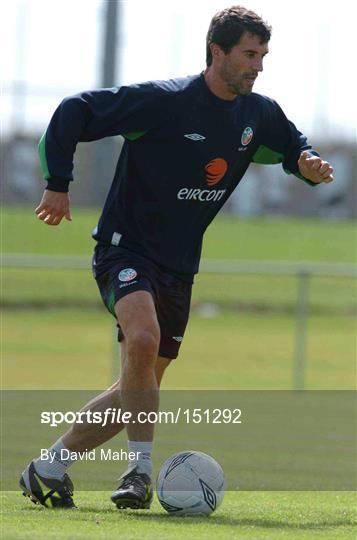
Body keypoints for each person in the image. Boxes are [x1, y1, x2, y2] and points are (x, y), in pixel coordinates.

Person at [20, 5, 333, 510]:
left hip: (179, 269)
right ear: (218, 52)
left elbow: (290, 146)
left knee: (137, 387)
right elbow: (75, 108)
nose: (258, 66)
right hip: (125, 249)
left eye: (263, 56)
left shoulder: (258, 113)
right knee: (143, 338)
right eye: (249, 55)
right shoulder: (163, 102)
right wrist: (58, 184)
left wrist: (307, 164)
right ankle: (139, 474)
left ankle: (48, 468)